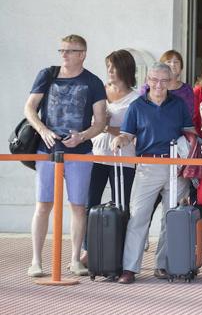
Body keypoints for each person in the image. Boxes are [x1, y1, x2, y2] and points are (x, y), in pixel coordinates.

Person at [25, 34, 106, 277]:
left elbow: (100, 121)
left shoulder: (93, 82)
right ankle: (36, 261)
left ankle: (74, 260)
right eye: (61, 50)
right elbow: (29, 108)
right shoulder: (47, 75)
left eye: (69, 51)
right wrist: (43, 130)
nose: (64, 54)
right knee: (43, 205)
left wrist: (82, 136)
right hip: (47, 151)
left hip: (79, 152)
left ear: (82, 54)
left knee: (78, 207)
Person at [113, 62, 195, 284]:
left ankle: (164, 266)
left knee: (171, 218)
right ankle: (130, 267)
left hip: (175, 167)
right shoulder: (137, 106)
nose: (159, 85)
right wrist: (121, 139)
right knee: (138, 216)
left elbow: (189, 133)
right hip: (147, 167)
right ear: (147, 81)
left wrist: (189, 147)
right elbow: (127, 134)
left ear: (170, 82)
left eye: (164, 81)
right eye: (154, 80)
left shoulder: (179, 105)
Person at [81, 49, 139, 266]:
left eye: (114, 67)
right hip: (96, 154)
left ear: (126, 69)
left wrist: (106, 126)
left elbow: (134, 131)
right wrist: (98, 125)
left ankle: (118, 250)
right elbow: (87, 123)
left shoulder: (136, 99)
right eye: (108, 67)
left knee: (121, 205)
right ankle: (88, 250)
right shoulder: (99, 92)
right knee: (89, 203)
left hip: (122, 158)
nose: (110, 71)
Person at [143, 50, 194, 250]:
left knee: (171, 208)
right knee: (144, 209)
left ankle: (164, 260)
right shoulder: (144, 95)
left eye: (176, 61)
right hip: (150, 160)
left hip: (176, 154)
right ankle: (140, 246)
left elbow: (188, 121)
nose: (173, 64)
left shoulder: (184, 94)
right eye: (168, 61)